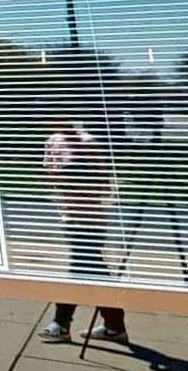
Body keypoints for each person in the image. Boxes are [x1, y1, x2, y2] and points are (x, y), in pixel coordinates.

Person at [40, 118, 127, 345]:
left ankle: (61, 323)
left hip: (91, 218)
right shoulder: (52, 142)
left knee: (80, 266)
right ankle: (114, 326)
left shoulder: (87, 143)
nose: (52, 122)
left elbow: (104, 183)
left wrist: (75, 178)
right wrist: (56, 177)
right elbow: (50, 179)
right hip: (69, 215)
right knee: (93, 269)